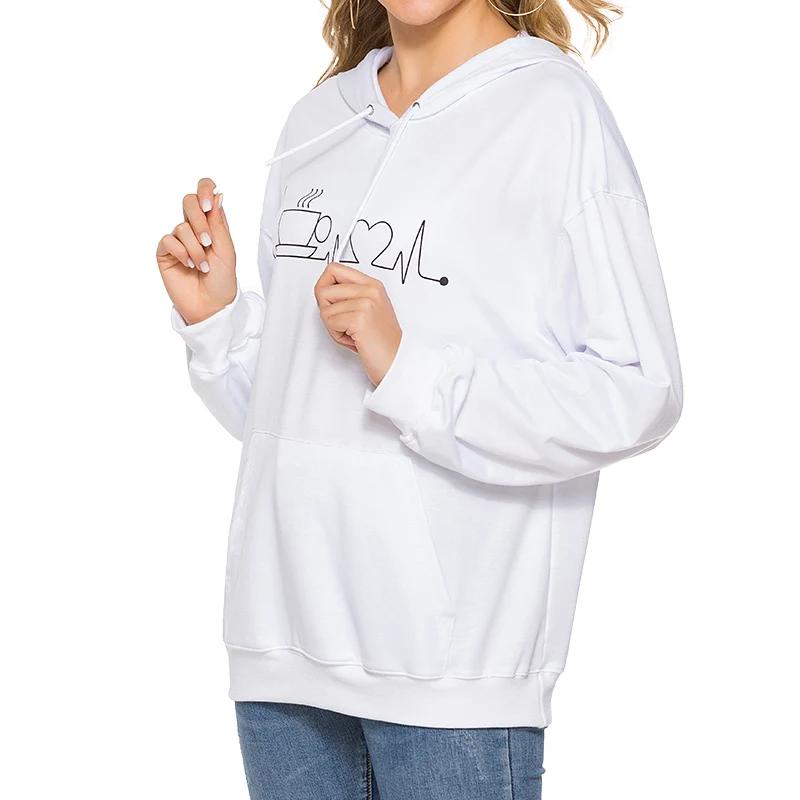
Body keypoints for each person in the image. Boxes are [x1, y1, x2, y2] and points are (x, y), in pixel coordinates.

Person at [155, 1, 683, 797]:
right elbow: (294, 417)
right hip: (279, 659)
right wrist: (219, 324)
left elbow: (639, 387)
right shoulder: (317, 122)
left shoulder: (552, 114)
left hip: (453, 684)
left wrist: (411, 370)